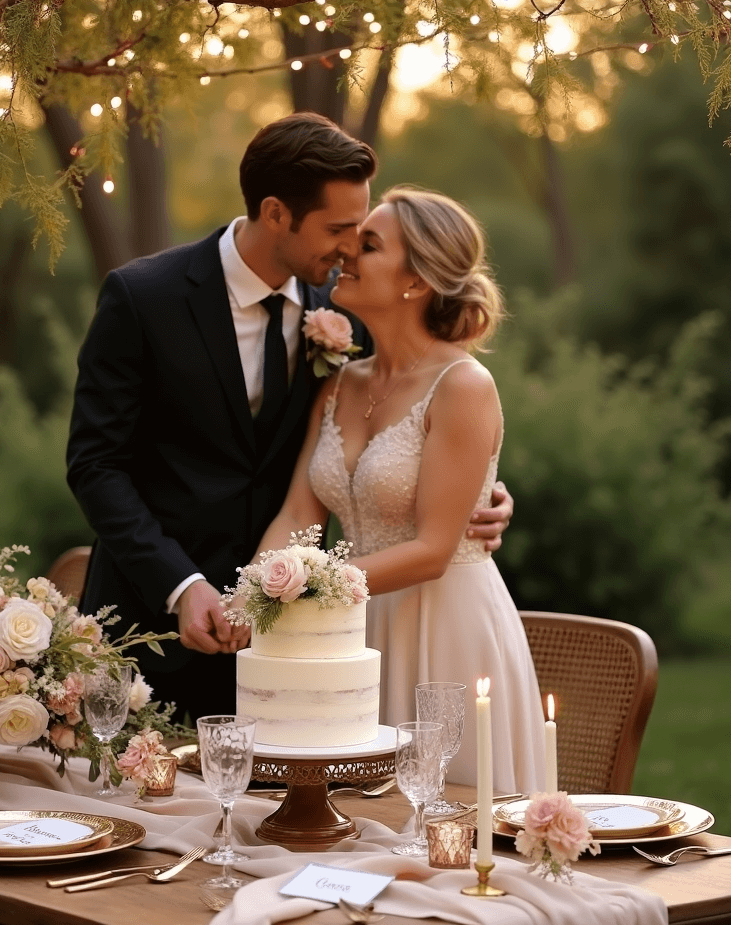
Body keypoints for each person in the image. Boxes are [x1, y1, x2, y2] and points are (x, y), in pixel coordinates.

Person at [67, 114, 515, 724]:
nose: (351, 247)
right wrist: (184, 585)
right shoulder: (144, 298)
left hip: (308, 639)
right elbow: (96, 465)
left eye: (362, 234)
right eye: (339, 229)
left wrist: (479, 499)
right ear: (276, 212)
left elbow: (424, 433)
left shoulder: (349, 309)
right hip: (156, 623)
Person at [256, 186, 543, 793]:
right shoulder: (338, 385)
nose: (346, 256)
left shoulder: (464, 385)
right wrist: (255, 590)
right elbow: (298, 516)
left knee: (453, 829)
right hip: (353, 632)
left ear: (416, 280)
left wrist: (310, 591)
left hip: (446, 628)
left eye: (369, 245)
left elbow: (436, 549)